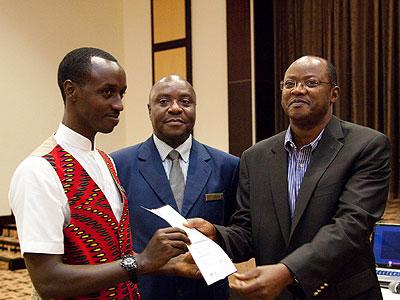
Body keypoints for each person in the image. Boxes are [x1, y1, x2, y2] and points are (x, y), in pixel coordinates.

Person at [186, 56, 391, 299]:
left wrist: (288, 271)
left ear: (333, 94)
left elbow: (351, 226)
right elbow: (247, 230)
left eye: (311, 83)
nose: (298, 90)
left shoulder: (367, 146)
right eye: (290, 84)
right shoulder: (255, 157)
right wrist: (217, 234)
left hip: (343, 293)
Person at [9, 48, 198, 300]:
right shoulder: (39, 171)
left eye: (121, 93)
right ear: (71, 90)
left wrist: (165, 266)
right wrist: (140, 261)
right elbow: (48, 281)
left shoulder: (105, 161)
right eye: (107, 92)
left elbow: (110, 254)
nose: (119, 104)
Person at [111, 74, 240, 299]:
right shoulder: (118, 165)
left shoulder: (228, 166)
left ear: (195, 109)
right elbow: (111, 243)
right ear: (148, 109)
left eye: (185, 102)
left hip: (208, 293)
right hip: (145, 292)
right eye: (163, 102)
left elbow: (239, 232)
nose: (175, 108)